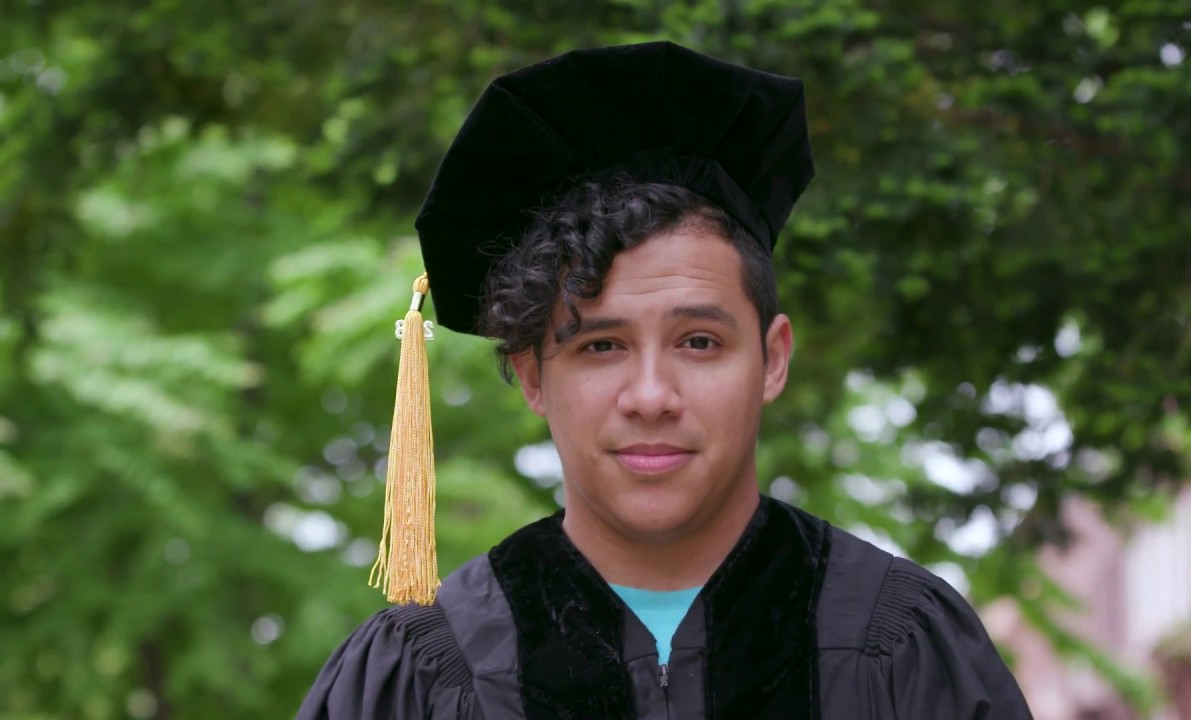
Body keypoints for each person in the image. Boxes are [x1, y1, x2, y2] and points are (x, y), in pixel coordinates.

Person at [297, 41, 1032, 719]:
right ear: (532, 376)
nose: (651, 396)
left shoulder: (903, 649)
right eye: (601, 346)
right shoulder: (424, 677)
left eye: (699, 342)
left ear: (773, 359)